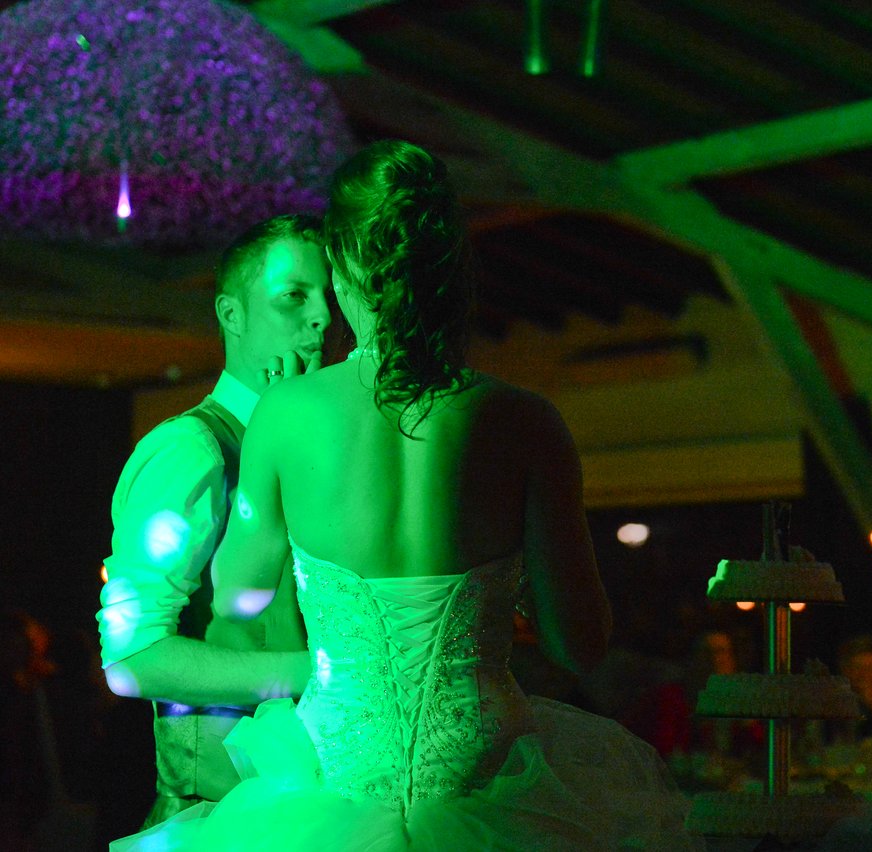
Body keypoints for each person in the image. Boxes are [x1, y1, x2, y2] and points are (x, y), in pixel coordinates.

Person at [112, 140, 697, 851]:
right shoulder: (525, 422)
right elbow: (580, 645)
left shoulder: (287, 415)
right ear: (451, 267)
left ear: (347, 266)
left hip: (327, 790)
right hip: (495, 793)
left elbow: (238, 605)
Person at [97, 214, 331, 827]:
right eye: (295, 296)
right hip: (223, 814)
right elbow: (132, 656)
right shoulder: (192, 452)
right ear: (231, 314)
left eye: (329, 295)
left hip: (331, 805)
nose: (323, 318)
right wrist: (314, 675)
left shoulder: (324, 451)